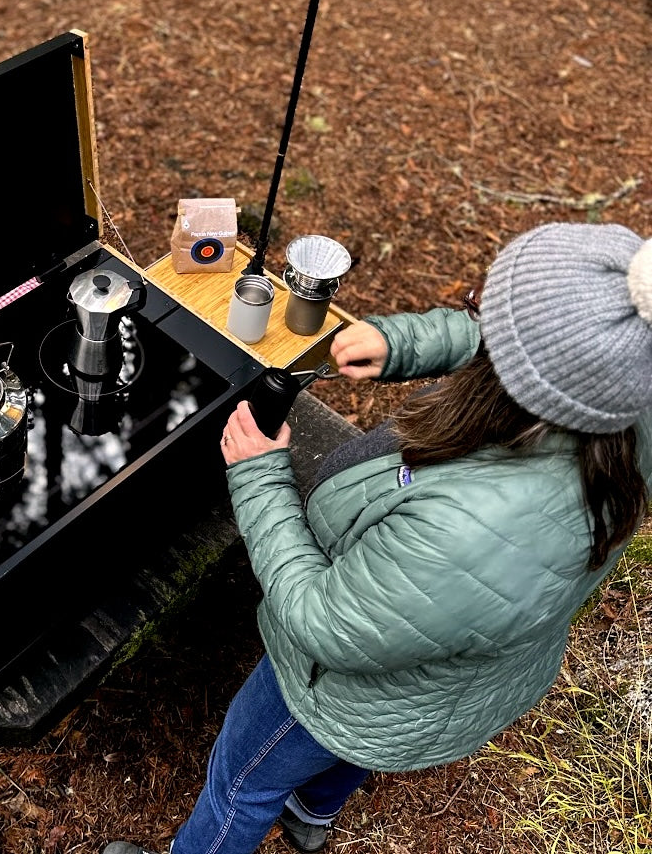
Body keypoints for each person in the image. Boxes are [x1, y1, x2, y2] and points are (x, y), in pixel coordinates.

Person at [104, 221, 652, 854]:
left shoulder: (476, 531)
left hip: (336, 686)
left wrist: (258, 477)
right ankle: (313, 812)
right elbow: (519, 342)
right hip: (434, 682)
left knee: (243, 781)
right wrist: (403, 342)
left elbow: (323, 623)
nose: (477, 314)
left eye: (485, 307)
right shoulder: (624, 386)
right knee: (365, 736)